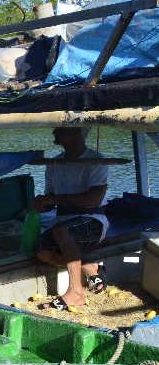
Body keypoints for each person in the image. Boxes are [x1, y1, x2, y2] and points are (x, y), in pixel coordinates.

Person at [33, 128, 109, 311]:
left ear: (75, 132)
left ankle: (76, 292)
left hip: (93, 219)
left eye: (60, 128)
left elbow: (94, 200)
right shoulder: (54, 163)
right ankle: (90, 269)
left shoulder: (96, 160)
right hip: (64, 220)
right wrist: (42, 202)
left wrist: (56, 199)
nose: (53, 131)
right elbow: (51, 198)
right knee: (42, 252)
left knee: (61, 230)